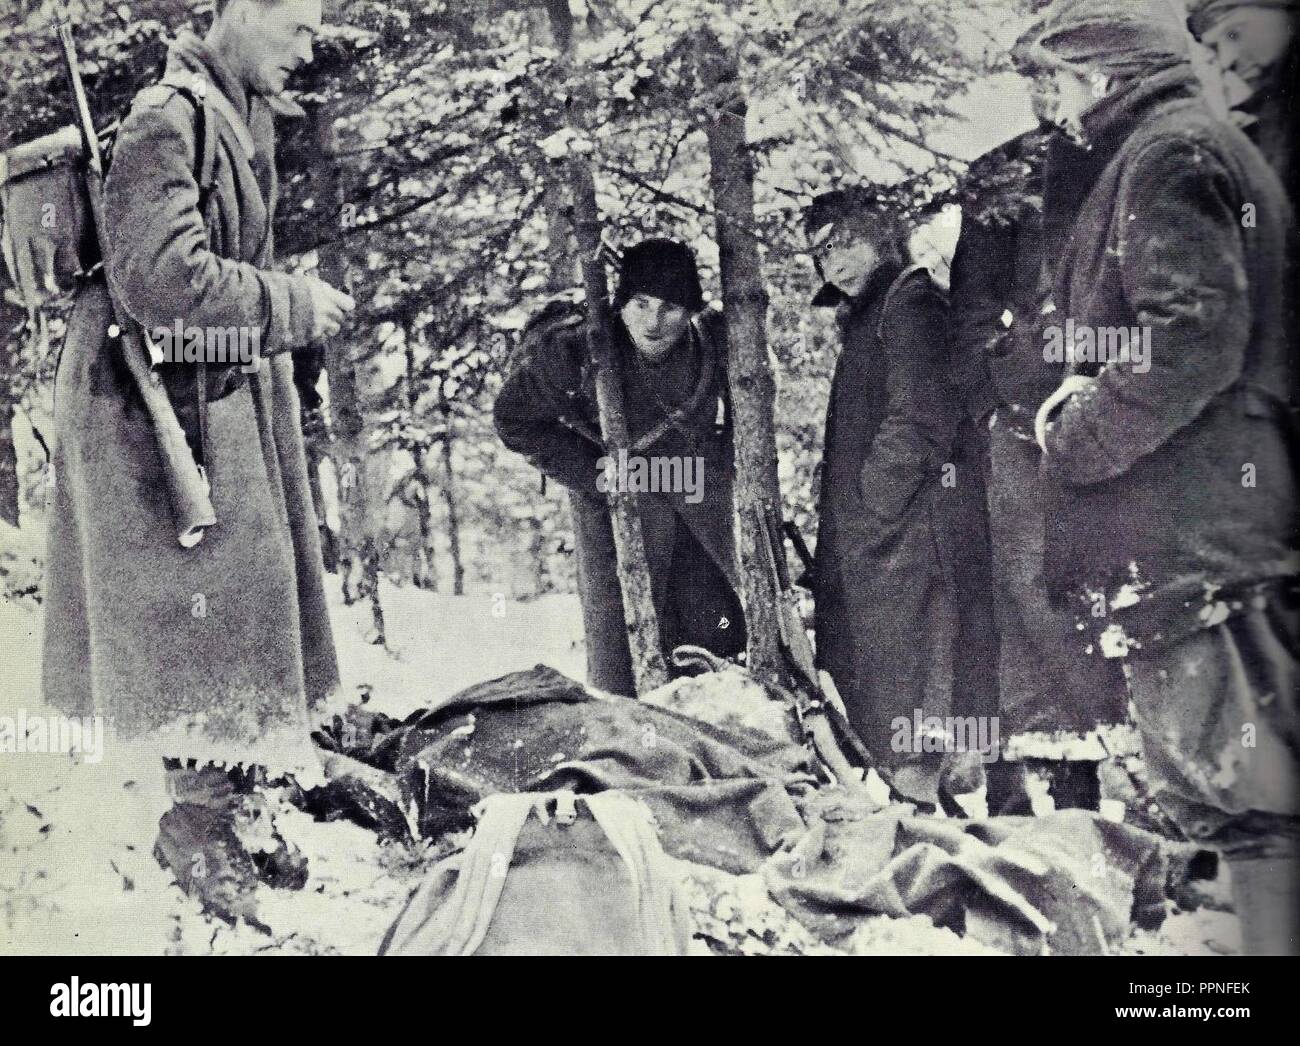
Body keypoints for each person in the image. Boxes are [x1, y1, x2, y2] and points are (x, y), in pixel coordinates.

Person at [42, 0, 354, 924]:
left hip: (209, 394)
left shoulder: (233, 112)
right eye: (296, 26)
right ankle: (196, 826)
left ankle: (232, 803)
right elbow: (161, 282)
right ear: (240, 12)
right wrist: (290, 305)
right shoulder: (163, 120)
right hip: (146, 411)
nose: (310, 46)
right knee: (191, 613)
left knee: (242, 600)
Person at [1028, 0, 1298, 954]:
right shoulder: (1196, 144)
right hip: (1214, 536)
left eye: (1056, 79)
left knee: (1239, 811)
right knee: (1222, 814)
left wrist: (1079, 431)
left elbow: (1191, 334)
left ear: (1102, 73)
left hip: (1196, 546)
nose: (1050, 104)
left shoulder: (1166, 154)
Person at [947, 35, 1136, 813]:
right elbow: (966, 313)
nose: (1048, 92)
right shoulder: (1000, 176)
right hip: (1025, 426)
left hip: (1128, 416)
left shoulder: (1143, 159)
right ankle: (1052, 793)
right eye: (1033, 77)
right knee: (1028, 593)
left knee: (1122, 595)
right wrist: (1009, 380)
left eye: (1059, 75)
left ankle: (1148, 790)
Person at [494, 237, 745, 697]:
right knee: (622, 665)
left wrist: (718, 469)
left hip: (696, 513)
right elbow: (514, 419)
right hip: (617, 514)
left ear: (691, 309)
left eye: (669, 307)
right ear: (620, 301)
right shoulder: (574, 349)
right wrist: (597, 474)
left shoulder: (715, 340)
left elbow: (751, 408)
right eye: (640, 303)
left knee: (718, 648)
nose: (652, 322)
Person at [806, 190, 989, 808]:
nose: (834, 267)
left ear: (880, 235)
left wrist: (874, 498)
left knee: (917, 668)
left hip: (912, 530)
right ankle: (922, 803)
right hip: (886, 534)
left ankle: (924, 806)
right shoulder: (872, 312)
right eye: (820, 256)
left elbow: (923, 412)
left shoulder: (907, 300)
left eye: (844, 245)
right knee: (894, 669)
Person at [1187, 0, 1297, 201]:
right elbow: (1252, 219)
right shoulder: (1264, 120)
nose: (1226, 61)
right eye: (1215, 49)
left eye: (1234, 34)